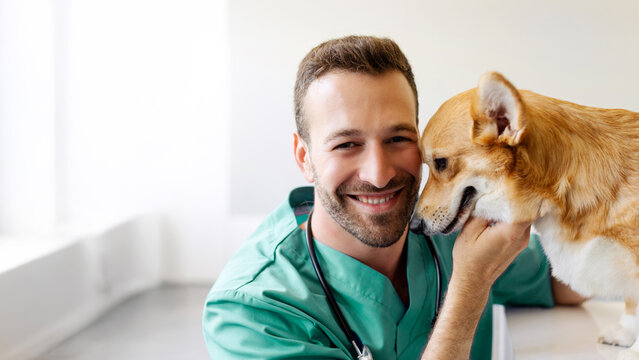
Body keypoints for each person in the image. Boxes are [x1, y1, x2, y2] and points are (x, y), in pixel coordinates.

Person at [203, 35, 585, 360]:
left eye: (398, 139)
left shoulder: (450, 230)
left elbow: (568, 281)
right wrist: (469, 285)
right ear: (304, 157)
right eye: (347, 144)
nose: (379, 173)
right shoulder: (249, 314)